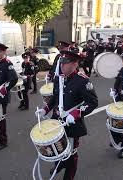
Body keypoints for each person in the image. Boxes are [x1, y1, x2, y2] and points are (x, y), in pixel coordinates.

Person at [35, 51, 98, 180]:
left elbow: (92, 102)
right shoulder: (59, 78)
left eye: (65, 63)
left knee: (71, 154)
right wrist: (46, 109)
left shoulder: (82, 81)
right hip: (56, 122)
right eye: (61, 63)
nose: (62, 66)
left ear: (75, 64)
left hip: (72, 123)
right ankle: (60, 164)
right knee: (57, 148)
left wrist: (76, 113)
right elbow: (55, 97)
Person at [0, 43, 18, 151]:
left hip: (2, 96)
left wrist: (5, 89)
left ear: (3, 52)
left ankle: (3, 140)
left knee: (1, 118)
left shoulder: (7, 63)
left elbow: (14, 78)